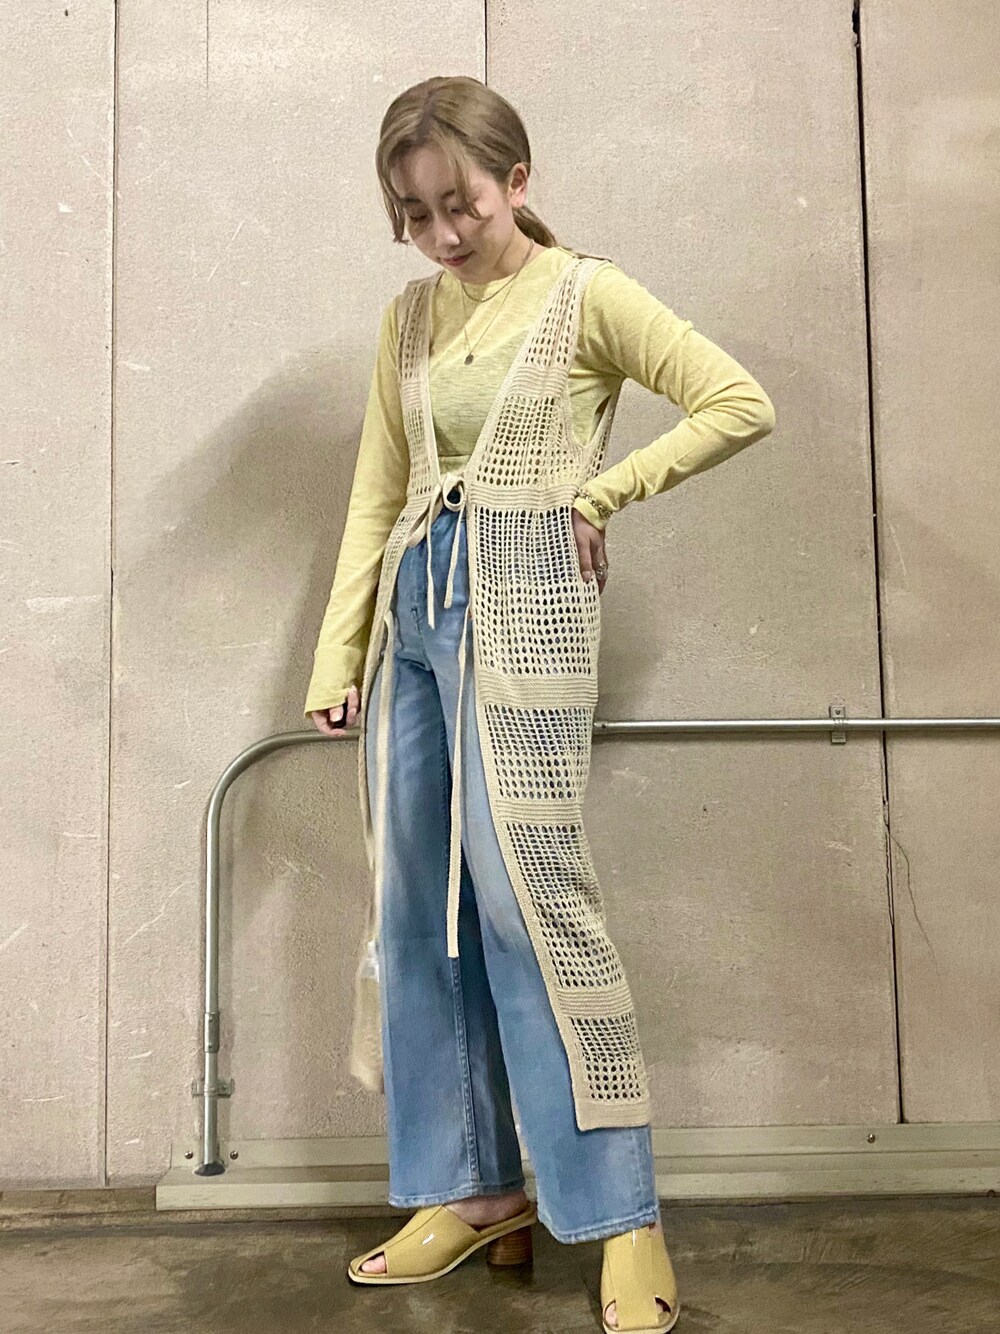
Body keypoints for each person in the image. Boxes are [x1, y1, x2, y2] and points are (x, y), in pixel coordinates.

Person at [304, 75, 775, 1334]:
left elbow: (737, 400)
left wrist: (600, 493)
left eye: (458, 203)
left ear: (516, 179)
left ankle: (623, 1215)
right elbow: (377, 487)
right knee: (417, 907)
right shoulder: (409, 318)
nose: (441, 235)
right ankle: (471, 1189)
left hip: (522, 613)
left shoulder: (583, 295)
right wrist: (337, 654)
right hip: (414, 611)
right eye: (413, 215)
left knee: (531, 904)